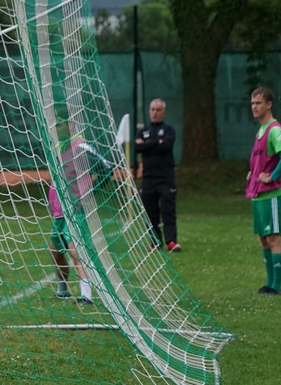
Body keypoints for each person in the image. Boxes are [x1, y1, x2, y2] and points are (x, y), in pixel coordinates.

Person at [47, 123, 123, 306]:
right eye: (55, 126)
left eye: (60, 125)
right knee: (55, 250)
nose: (57, 129)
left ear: (71, 126)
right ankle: (62, 290)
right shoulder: (60, 148)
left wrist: (89, 193)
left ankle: (86, 295)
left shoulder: (81, 148)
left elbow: (106, 170)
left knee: (76, 250)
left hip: (76, 210)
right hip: (59, 211)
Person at [246, 86, 281, 295]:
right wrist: (253, 172)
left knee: (273, 238)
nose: (254, 107)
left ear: (269, 104)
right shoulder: (260, 130)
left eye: (258, 103)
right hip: (258, 194)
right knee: (264, 239)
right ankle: (269, 284)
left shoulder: (274, 129)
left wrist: (272, 176)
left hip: (271, 195)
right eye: (252, 103)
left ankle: (277, 287)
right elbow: (264, 160)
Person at [135, 98, 181, 252]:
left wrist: (147, 145)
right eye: (153, 109)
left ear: (164, 112)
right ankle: (155, 242)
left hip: (165, 178)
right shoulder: (142, 131)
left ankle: (171, 242)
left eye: (158, 110)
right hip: (148, 178)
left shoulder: (169, 130)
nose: (155, 113)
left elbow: (166, 145)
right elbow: (137, 148)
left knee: (168, 211)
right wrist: (157, 142)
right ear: (149, 111)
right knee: (150, 212)